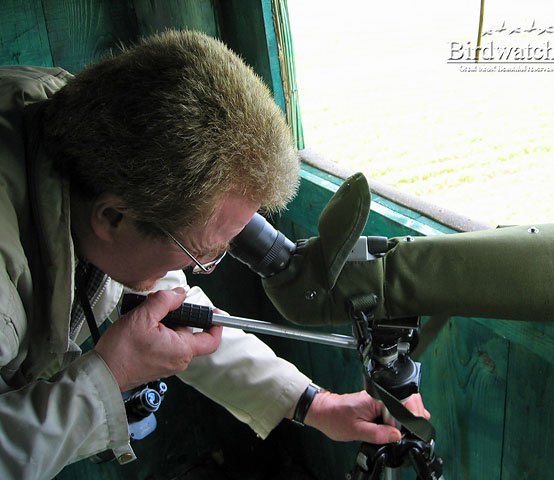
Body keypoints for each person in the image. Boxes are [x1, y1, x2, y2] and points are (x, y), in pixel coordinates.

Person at [0, 30, 429, 478]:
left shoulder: (103, 141)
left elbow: (174, 312)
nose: (192, 270)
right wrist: (107, 377)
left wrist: (311, 403)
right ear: (112, 219)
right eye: (199, 252)